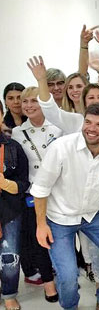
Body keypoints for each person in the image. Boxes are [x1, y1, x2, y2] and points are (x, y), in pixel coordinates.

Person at [30, 102, 99, 310]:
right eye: (88, 122)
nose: (91, 128)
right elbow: (40, 188)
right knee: (67, 275)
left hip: (95, 214)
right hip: (58, 217)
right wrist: (41, 224)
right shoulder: (61, 147)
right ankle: (70, 307)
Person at [12, 87, 60, 303]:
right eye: (25, 102)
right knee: (40, 238)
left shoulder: (57, 128)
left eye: (34, 101)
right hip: (34, 193)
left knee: (60, 237)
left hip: (59, 191)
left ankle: (65, 274)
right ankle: (49, 284)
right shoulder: (17, 132)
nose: (29, 106)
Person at [0, 98, 31, 310]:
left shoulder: (12, 146)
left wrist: (7, 184)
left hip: (9, 210)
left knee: (9, 257)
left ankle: (9, 293)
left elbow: (23, 181)